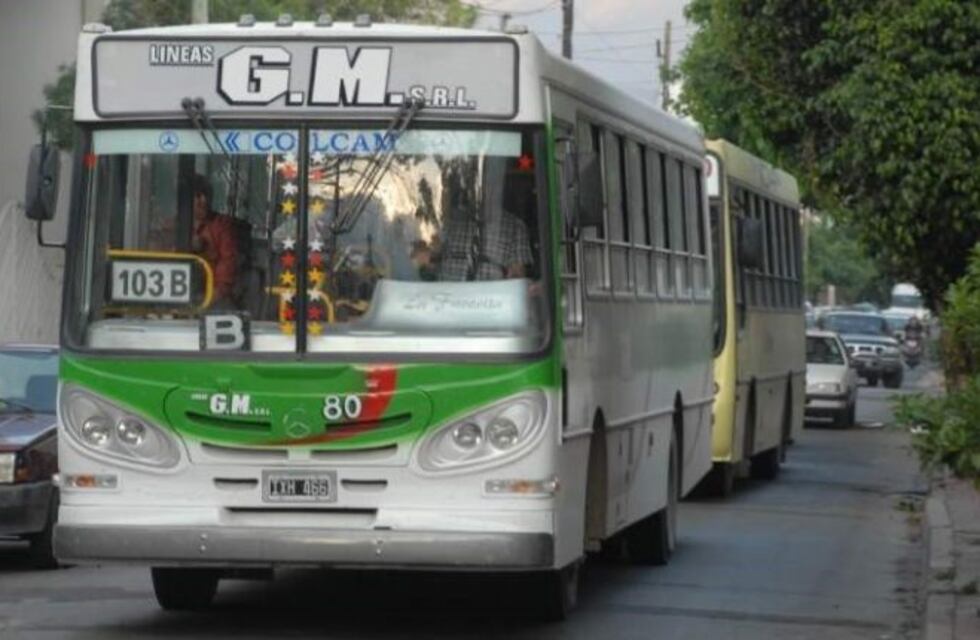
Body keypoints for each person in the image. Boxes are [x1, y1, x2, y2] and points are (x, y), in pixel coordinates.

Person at [436, 161, 535, 281]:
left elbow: (517, 277)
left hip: (491, 298)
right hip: (445, 296)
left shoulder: (515, 228)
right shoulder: (450, 221)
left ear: (500, 186)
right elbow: (430, 258)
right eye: (477, 182)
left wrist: (513, 275)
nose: (483, 188)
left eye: (490, 182)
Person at [191, 175, 237, 304]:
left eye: (207, 195)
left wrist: (207, 301)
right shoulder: (169, 227)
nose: (204, 200)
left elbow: (227, 268)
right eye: (198, 195)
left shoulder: (222, 227)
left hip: (212, 301)